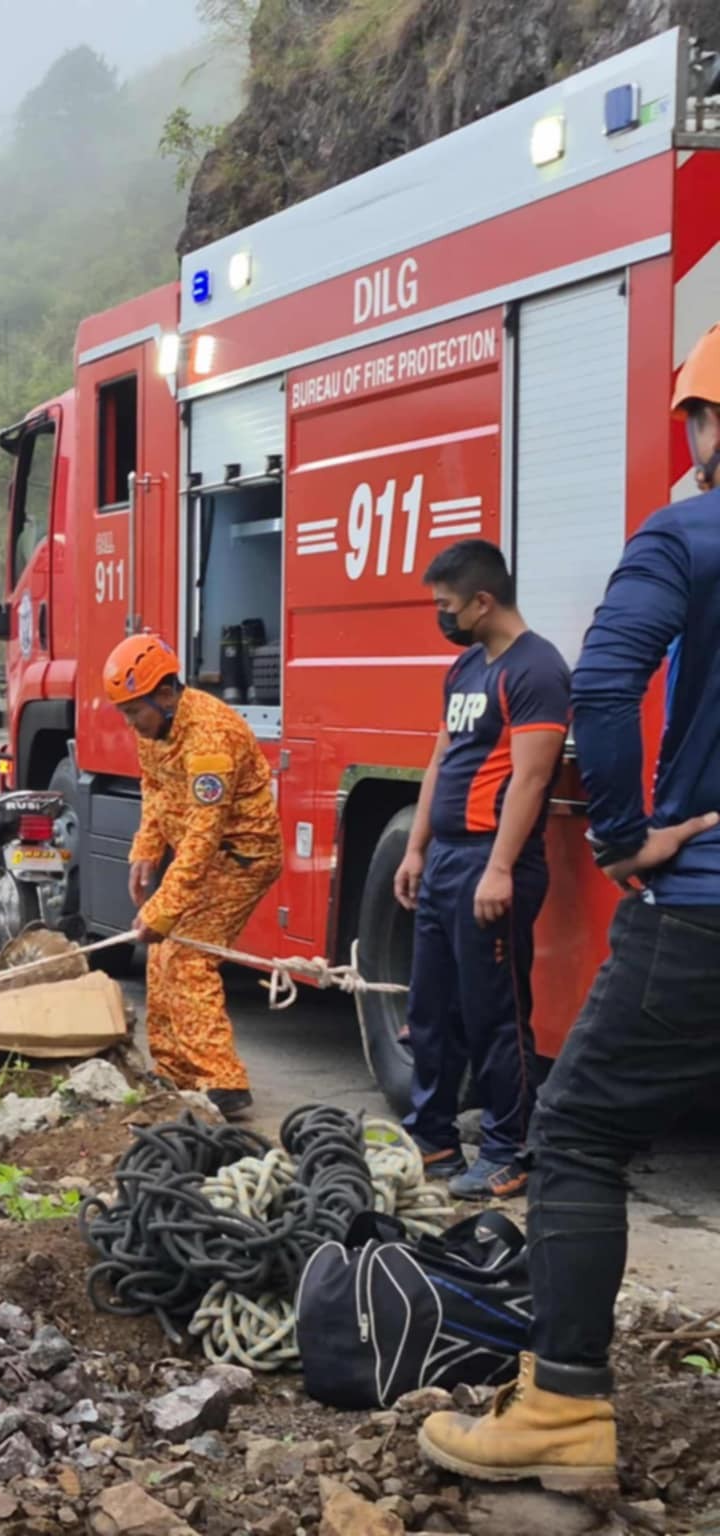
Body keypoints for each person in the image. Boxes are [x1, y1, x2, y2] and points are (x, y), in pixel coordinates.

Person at [419, 326, 720, 1491]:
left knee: (580, 1130)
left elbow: (604, 683)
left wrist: (621, 836)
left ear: (704, 423)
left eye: (690, 417)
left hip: (699, 903)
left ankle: (558, 1410)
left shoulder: (686, 531)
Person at [393, 540, 569, 1201]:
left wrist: (499, 869)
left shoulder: (536, 669)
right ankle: (432, 1137)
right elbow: (441, 760)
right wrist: (416, 848)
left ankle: (507, 1149)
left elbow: (531, 778)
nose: (441, 616)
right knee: (430, 1009)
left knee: (496, 1014)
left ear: (483, 601)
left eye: (446, 605)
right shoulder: (466, 667)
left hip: (494, 862)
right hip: (445, 860)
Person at [109, 633, 282, 1119]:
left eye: (134, 712)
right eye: (123, 713)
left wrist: (164, 907)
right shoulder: (156, 730)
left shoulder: (209, 736)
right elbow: (155, 787)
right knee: (160, 951)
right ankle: (174, 1072)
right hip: (203, 854)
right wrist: (146, 847)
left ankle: (222, 1080)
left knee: (185, 956)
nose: (130, 723)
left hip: (240, 857)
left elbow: (206, 836)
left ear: (165, 695)